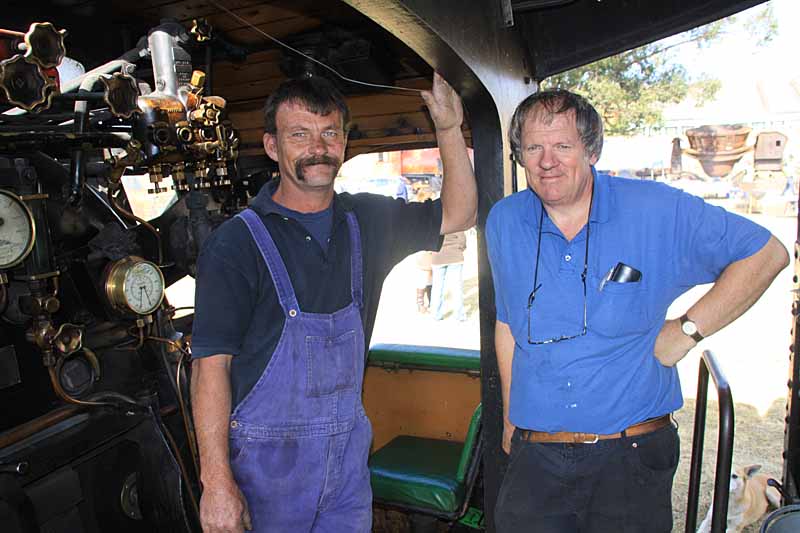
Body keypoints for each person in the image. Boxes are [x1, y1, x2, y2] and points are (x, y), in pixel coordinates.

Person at [486, 89, 789, 533]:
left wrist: (686, 330)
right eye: (533, 148)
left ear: (591, 150)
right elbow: (508, 325)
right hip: (537, 458)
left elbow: (766, 253)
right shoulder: (504, 220)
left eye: (563, 146)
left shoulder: (655, 209)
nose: (547, 161)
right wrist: (511, 419)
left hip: (630, 457)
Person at [191, 72, 476, 533]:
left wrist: (447, 127)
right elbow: (210, 368)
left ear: (343, 142)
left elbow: (459, 212)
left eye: (329, 133)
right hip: (266, 473)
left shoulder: (367, 218)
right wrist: (216, 482)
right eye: (299, 135)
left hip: (346, 467)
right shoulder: (235, 244)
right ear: (272, 146)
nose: (318, 148)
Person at [430, 230, 467, 321]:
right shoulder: (455, 222)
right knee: (456, 287)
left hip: (437, 257)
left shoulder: (434, 223)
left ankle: (436, 315)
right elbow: (462, 239)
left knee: (437, 287)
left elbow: (428, 240)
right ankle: (459, 315)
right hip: (454, 256)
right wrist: (459, 248)